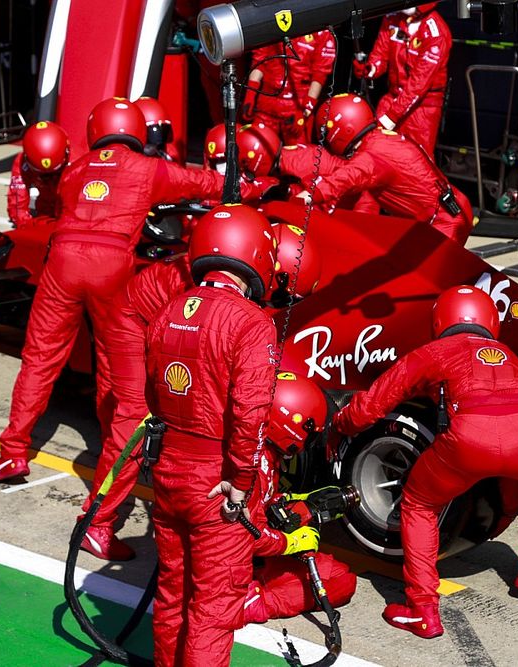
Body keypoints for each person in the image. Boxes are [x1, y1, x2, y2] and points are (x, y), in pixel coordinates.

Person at [0, 98, 266, 483]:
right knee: (113, 362)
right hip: (112, 267)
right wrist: (251, 188)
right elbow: (206, 185)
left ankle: (13, 452)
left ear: (95, 129)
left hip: (62, 261)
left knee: (38, 360)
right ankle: (110, 447)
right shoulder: (150, 169)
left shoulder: (75, 169)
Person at [333, 285, 518, 638]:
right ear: (491, 321)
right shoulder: (510, 355)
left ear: (440, 320)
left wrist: (339, 424)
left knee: (419, 504)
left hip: (467, 444)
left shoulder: (434, 351)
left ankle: (422, 609)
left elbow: (373, 405)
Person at [78, 223, 322, 561]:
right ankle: (95, 523)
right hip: (135, 321)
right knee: (134, 425)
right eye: (284, 296)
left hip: (157, 319)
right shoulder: (216, 291)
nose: (281, 305)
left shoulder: (237, 270)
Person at [146, 203, 278, 666]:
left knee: (172, 595)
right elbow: (251, 412)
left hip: (167, 474)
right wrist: (242, 480)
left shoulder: (168, 309)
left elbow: (151, 396)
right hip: (217, 479)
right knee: (213, 610)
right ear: (258, 255)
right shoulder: (250, 322)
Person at [243, 373, 357, 624]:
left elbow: (258, 508)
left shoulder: (260, 453)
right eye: (311, 433)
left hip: (251, 555)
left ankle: (252, 585)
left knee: (341, 576)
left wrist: (303, 502)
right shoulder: (251, 466)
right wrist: (292, 542)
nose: (310, 441)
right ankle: (253, 603)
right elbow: (245, 536)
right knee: (341, 584)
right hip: (227, 561)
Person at [295, 94, 473, 244]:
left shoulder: (370, 157)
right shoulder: (380, 138)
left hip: (442, 222)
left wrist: (312, 194)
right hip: (452, 208)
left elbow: (347, 177)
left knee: (417, 283)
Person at [352, 3, 451, 156]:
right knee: (372, 152)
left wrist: (392, 116)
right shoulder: (392, 18)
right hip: (392, 97)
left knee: (416, 161)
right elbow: (380, 55)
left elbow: (419, 84)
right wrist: (370, 69)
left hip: (422, 109)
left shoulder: (436, 32)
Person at [241, 30, 337, 144]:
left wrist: (305, 111)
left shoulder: (322, 31)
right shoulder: (273, 21)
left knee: (298, 157)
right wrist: (250, 96)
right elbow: (260, 60)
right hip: (266, 105)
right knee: (259, 151)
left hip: (297, 107)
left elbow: (320, 75)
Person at [7, 121, 69, 227]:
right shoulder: (22, 162)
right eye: (43, 174)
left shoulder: (78, 160)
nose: (48, 177)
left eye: (53, 172)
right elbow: (17, 202)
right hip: (44, 211)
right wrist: (25, 226)